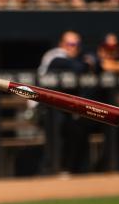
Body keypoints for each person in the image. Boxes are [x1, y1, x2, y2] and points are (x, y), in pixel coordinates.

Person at [39, 31, 98, 174]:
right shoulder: (55, 55)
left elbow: (95, 62)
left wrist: (92, 61)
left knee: (79, 124)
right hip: (41, 107)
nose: (74, 47)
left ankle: (73, 170)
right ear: (61, 44)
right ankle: (50, 171)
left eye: (76, 44)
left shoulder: (76, 57)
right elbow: (79, 67)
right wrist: (87, 62)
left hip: (62, 106)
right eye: (70, 44)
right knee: (59, 123)